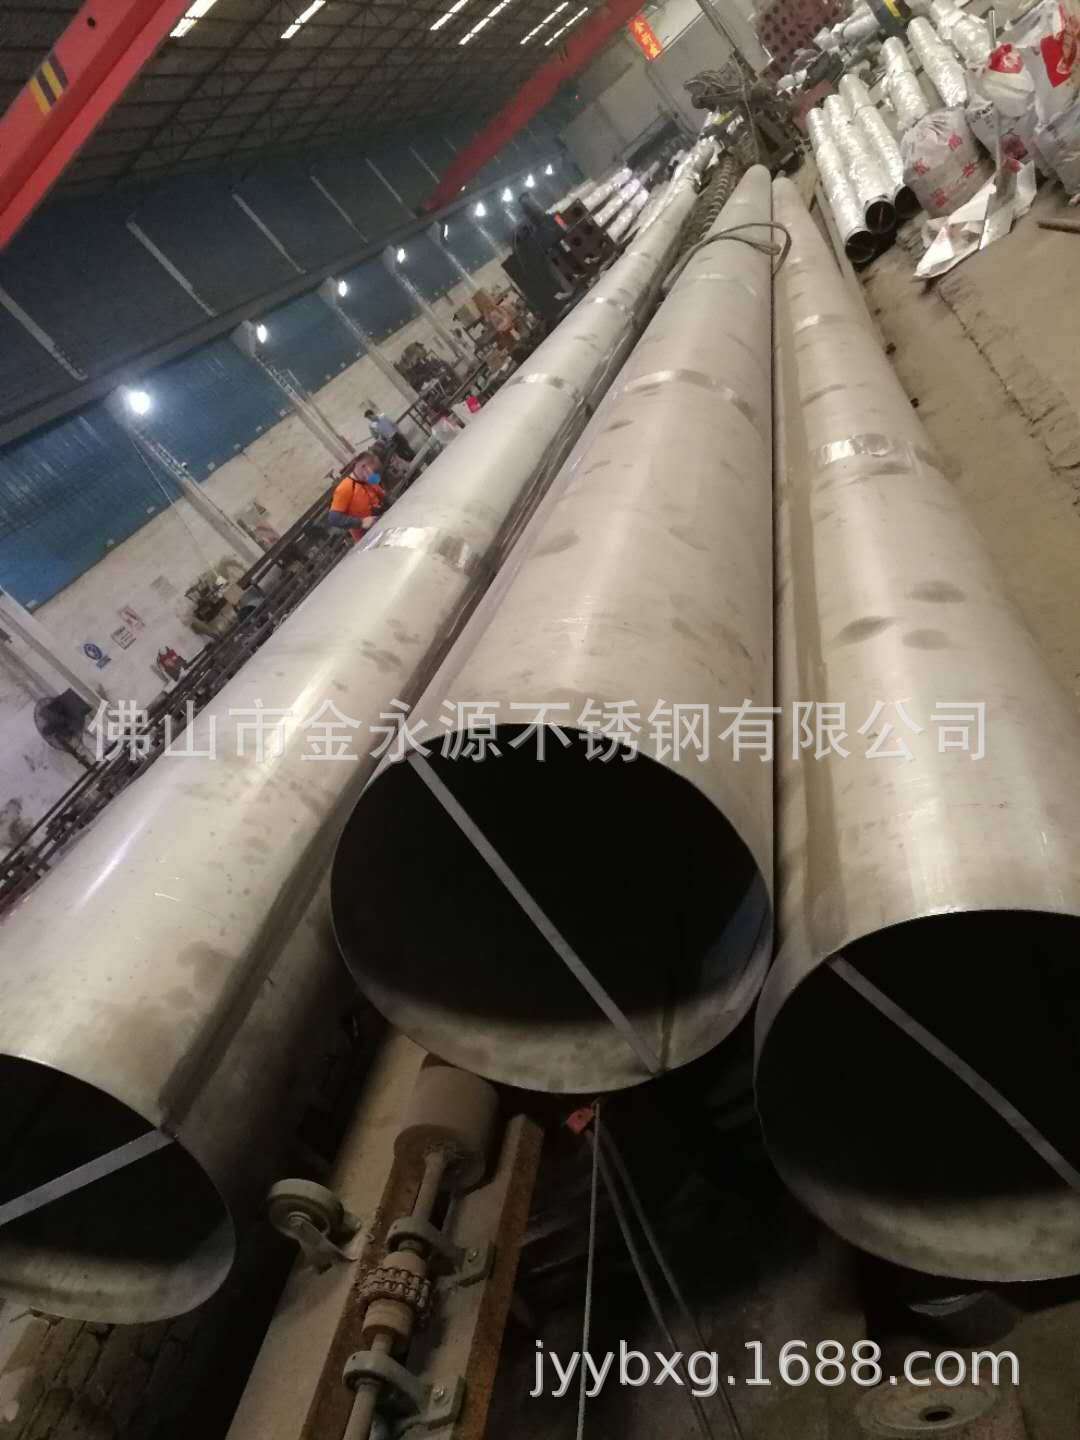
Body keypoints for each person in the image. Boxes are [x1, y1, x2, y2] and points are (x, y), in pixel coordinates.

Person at [325, 452, 386, 543]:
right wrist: (361, 522)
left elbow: (383, 496)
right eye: (373, 472)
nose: (374, 476)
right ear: (364, 467)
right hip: (367, 537)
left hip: (380, 524)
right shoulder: (345, 487)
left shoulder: (369, 479)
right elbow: (334, 518)